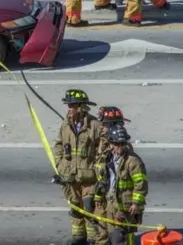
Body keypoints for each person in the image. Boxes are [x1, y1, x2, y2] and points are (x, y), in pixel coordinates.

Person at [53, 89, 105, 245]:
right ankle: (78, 238)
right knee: (75, 208)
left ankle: (93, 239)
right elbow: (59, 145)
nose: (69, 108)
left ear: (82, 107)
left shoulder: (95, 125)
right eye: (68, 104)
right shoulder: (65, 125)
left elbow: (103, 150)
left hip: (89, 178)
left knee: (89, 208)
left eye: (72, 105)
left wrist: (97, 170)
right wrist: (60, 164)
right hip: (71, 176)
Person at [94, 124, 148, 245]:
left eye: (122, 143)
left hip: (126, 206)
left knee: (121, 236)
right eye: (117, 144)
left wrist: (136, 203)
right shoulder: (107, 157)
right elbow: (103, 179)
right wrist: (98, 195)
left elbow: (141, 183)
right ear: (111, 143)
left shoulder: (133, 161)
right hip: (110, 202)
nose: (120, 147)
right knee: (112, 234)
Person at [92, 106, 132, 245]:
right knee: (101, 228)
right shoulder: (104, 140)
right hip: (104, 192)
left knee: (118, 233)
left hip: (116, 198)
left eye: (105, 124)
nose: (101, 126)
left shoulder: (120, 147)